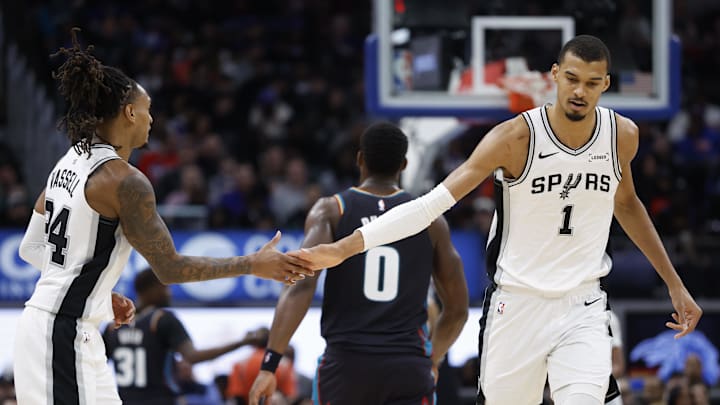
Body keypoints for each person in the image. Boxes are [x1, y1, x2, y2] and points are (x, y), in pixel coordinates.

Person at [291, 35, 703, 405]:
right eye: (572, 78)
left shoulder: (622, 135)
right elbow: (431, 204)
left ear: (606, 85)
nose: (580, 91)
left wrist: (675, 283)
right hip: (516, 303)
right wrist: (345, 247)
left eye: (592, 83)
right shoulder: (514, 139)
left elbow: (628, 204)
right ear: (555, 75)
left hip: (584, 303)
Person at [14, 29, 313, 405]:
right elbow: (169, 269)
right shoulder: (125, 181)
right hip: (61, 334)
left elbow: (31, 247)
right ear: (129, 112)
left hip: (62, 329)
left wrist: (102, 295)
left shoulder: (70, 160)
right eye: (148, 109)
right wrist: (253, 263)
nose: (151, 119)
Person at [249, 123, 469, 405]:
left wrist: (270, 364)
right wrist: (433, 358)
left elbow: (299, 287)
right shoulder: (431, 221)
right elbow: (458, 310)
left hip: (347, 365)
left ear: (360, 159)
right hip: (407, 366)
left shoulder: (332, 210)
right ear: (403, 164)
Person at [102, 269, 261, 404]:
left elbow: (98, 364)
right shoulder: (161, 319)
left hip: (123, 400)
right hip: (161, 400)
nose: (168, 293)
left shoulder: (113, 326)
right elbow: (193, 357)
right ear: (150, 289)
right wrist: (243, 342)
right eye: (164, 287)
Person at [226, 328, 297, 404]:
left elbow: (236, 395)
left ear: (253, 342)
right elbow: (289, 396)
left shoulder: (240, 364)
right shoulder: (285, 365)